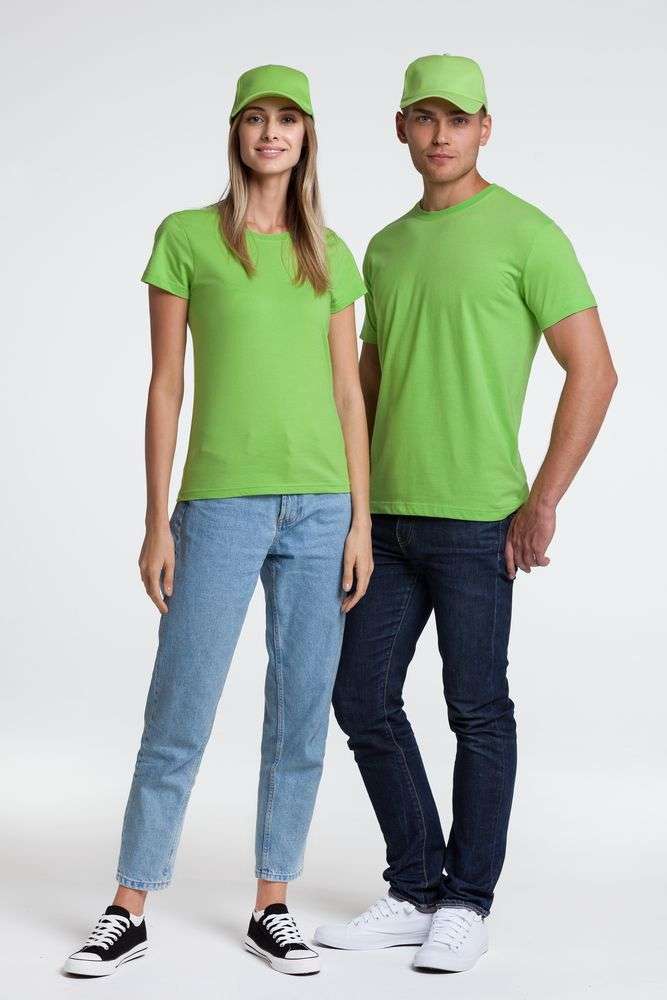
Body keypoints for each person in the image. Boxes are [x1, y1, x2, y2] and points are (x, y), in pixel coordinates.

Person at [63, 64, 371, 979]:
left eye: (287, 119)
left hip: (321, 508)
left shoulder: (329, 252)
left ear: (307, 136)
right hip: (221, 504)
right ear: (236, 133)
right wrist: (156, 520)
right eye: (255, 118)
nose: (271, 133)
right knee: (181, 705)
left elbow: (348, 394)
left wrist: (359, 521)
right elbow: (166, 385)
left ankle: (273, 904)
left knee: (299, 713)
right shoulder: (188, 237)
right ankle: (129, 905)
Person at [314, 53, 617, 972]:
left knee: (475, 708)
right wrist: (343, 503)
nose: (440, 135)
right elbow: (366, 382)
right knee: (360, 697)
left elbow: (593, 371)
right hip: (383, 519)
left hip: (479, 519)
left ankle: (466, 901)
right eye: (424, 118)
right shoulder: (383, 247)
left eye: (458, 119)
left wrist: (542, 500)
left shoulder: (527, 233)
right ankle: (415, 886)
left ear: (485, 127)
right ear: (400, 128)